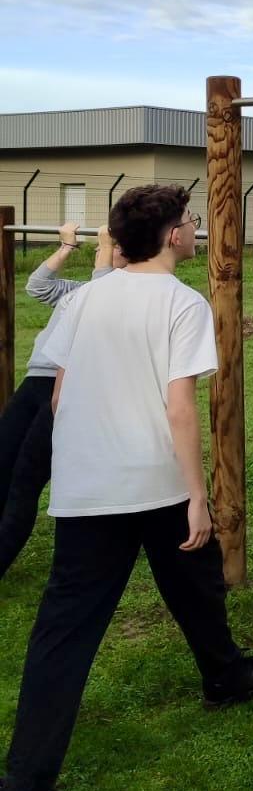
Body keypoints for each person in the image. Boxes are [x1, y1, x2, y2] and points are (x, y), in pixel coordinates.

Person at [0, 184, 253, 791]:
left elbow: (63, 389)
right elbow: (180, 406)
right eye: (190, 222)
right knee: (190, 564)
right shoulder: (181, 303)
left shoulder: (87, 297)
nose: (195, 229)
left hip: (86, 492)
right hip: (157, 485)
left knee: (79, 629)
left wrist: (80, 464)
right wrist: (198, 495)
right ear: (171, 236)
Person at [0, 224, 119, 578]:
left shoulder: (111, 295)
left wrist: (105, 243)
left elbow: (104, 291)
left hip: (66, 389)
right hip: (34, 381)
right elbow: (37, 285)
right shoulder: (78, 291)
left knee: (25, 480)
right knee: (2, 463)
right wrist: (67, 247)